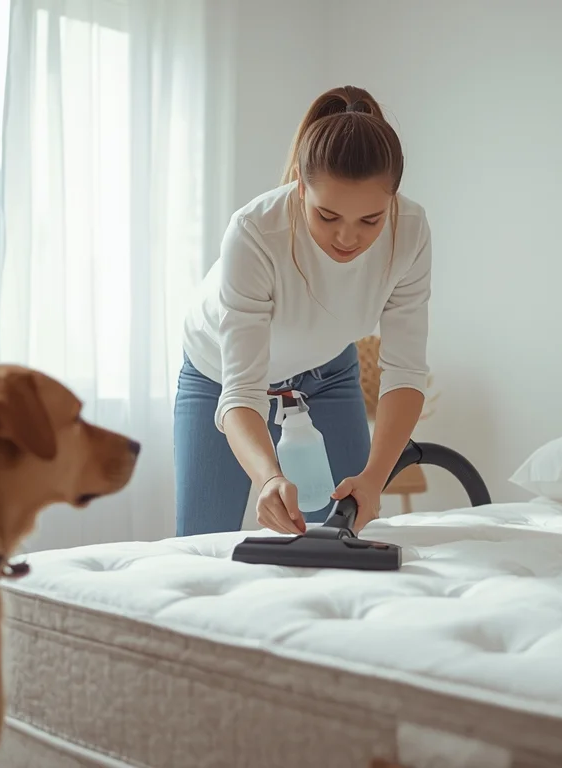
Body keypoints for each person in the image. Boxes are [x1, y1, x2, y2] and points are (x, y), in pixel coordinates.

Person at [175, 85, 432, 537]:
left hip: (327, 370)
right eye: (328, 216)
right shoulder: (255, 234)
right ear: (299, 183)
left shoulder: (409, 232)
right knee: (203, 540)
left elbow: (405, 373)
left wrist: (374, 479)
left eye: (370, 220)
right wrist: (269, 479)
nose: (348, 238)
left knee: (347, 532)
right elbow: (242, 391)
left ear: (392, 199)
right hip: (218, 373)